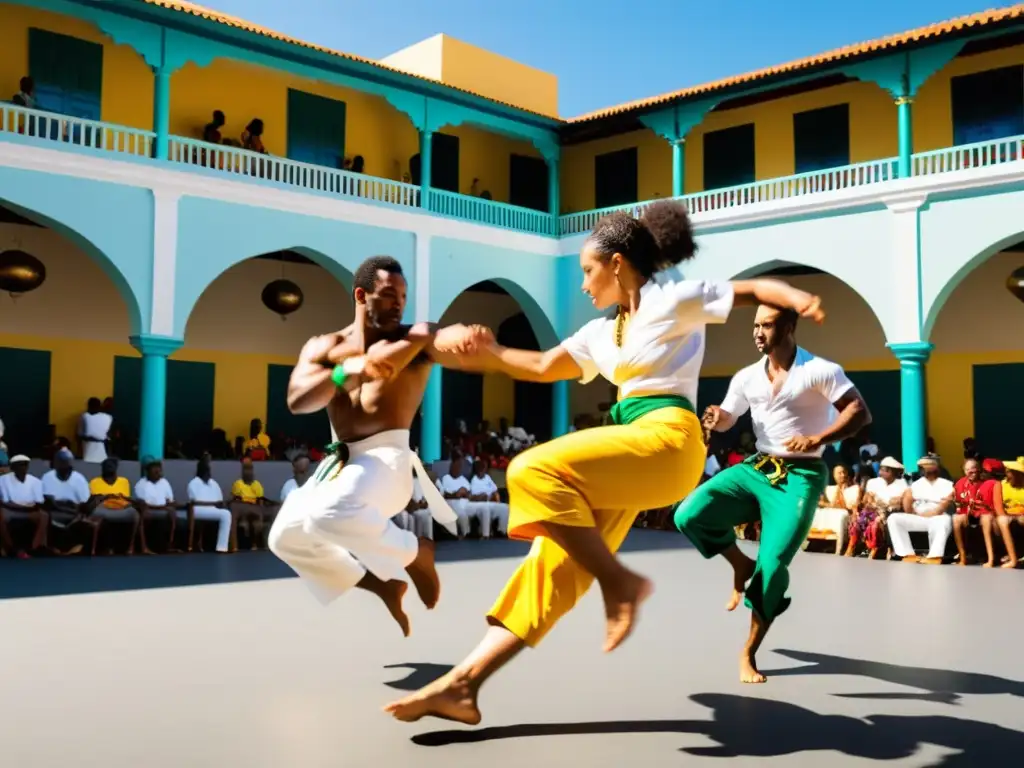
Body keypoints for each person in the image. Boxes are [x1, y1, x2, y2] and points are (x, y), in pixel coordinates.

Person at [380, 199, 826, 724]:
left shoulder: (673, 300)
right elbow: (545, 366)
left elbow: (752, 290)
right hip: (631, 446)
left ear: (617, 264)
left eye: (589, 271)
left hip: (670, 441)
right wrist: (488, 351)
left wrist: (793, 293)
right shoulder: (602, 332)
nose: (585, 284)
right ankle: (463, 686)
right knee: (549, 567)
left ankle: (619, 582)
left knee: (529, 470)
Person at [267, 255, 482, 637]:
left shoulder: (415, 337)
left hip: (389, 460)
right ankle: (382, 584)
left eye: (402, 295)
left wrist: (465, 339)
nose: (398, 303)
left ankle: (419, 552)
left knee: (328, 514)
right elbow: (298, 401)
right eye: (388, 295)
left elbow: (442, 338)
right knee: (285, 536)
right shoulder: (326, 345)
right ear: (362, 295)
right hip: (340, 462)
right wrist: (344, 371)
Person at [674, 303, 870, 684]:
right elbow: (731, 415)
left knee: (774, 565)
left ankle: (748, 652)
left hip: (802, 474)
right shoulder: (748, 376)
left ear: (790, 326)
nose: (757, 332)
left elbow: (859, 413)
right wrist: (718, 417)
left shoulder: (820, 370)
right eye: (755, 325)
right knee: (688, 515)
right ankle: (739, 563)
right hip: (759, 467)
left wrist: (818, 438)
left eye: (766, 325)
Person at [887, 454, 954, 564]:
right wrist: (907, 499)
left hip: (938, 517)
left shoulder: (947, 484)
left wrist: (931, 513)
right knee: (893, 518)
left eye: (928, 466)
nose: (925, 469)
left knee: (944, 520)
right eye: (923, 467)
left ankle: (934, 556)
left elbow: (944, 505)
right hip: (919, 517)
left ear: (936, 467)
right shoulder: (916, 484)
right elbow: (908, 509)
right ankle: (907, 554)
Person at [952, 457, 1000, 567]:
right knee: (956, 519)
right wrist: (962, 509)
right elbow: (959, 504)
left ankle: (991, 559)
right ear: (964, 471)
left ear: (978, 469)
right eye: (967, 469)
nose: (971, 471)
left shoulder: (987, 482)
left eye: (973, 468)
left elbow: (992, 505)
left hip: (985, 512)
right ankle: (962, 557)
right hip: (968, 513)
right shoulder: (960, 483)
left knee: (986, 519)